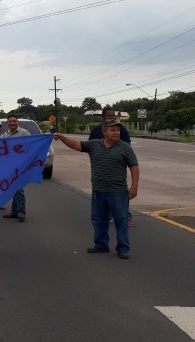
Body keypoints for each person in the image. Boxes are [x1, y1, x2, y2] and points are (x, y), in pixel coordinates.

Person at [54, 120, 139, 259]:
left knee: (121, 220)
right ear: (104, 132)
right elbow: (76, 145)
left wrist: (134, 186)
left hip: (118, 192)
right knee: (99, 220)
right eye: (113, 130)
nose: (116, 133)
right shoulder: (94, 145)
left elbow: (134, 167)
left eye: (118, 130)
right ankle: (101, 245)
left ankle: (123, 248)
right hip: (98, 191)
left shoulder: (125, 148)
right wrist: (62, 137)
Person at [88, 107, 133, 226]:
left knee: (120, 190)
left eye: (113, 115)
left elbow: (127, 145)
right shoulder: (97, 130)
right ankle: (106, 216)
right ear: (103, 117)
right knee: (102, 192)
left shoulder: (121, 129)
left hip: (116, 165)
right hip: (100, 166)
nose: (112, 117)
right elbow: (89, 146)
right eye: (109, 115)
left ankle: (126, 216)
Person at [2, 115, 30, 221]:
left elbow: (30, 146)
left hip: (21, 164)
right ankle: (14, 211)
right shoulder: (5, 135)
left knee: (18, 188)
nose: (12, 123)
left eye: (14, 121)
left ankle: (21, 211)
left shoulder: (24, 133)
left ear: (17, 122)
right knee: (13, 188)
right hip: (10, 165)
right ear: (7, 123)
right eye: (10, 121)